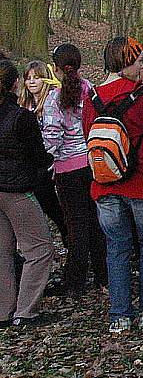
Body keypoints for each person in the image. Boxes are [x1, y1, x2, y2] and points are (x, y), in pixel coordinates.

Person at [82, 37, 143, 333]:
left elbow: (89, 135)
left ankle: (119, 314)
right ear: (127, 62)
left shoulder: (92, 97)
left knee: (117, 248)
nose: (141, 67)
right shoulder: (142, 95)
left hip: (105, 182)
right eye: (137, 62)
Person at [42, 44, 107, 297]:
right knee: (95, 220)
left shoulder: (53, 99)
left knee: (76, 225)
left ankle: (75, 281)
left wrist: (49, 160)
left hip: (67, 170)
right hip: (93, 164)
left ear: (56, 69)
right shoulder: (91, 90)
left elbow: (52, 138)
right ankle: (104, 276)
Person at [0, 60, 55, 327]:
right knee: (40, 249)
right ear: (14, 85)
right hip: (18, 190)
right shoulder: (22, 117)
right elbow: (38, 156)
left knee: (3, 251)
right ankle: (25, 310)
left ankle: (4, 310)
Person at [19, 61, 69, 247]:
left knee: (53, 206)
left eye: (36, 78)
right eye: (28, 78)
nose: (32, 82)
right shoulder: (23, 104)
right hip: (32, 162)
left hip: (52, 161)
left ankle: (66, 234)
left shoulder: (52, 101)